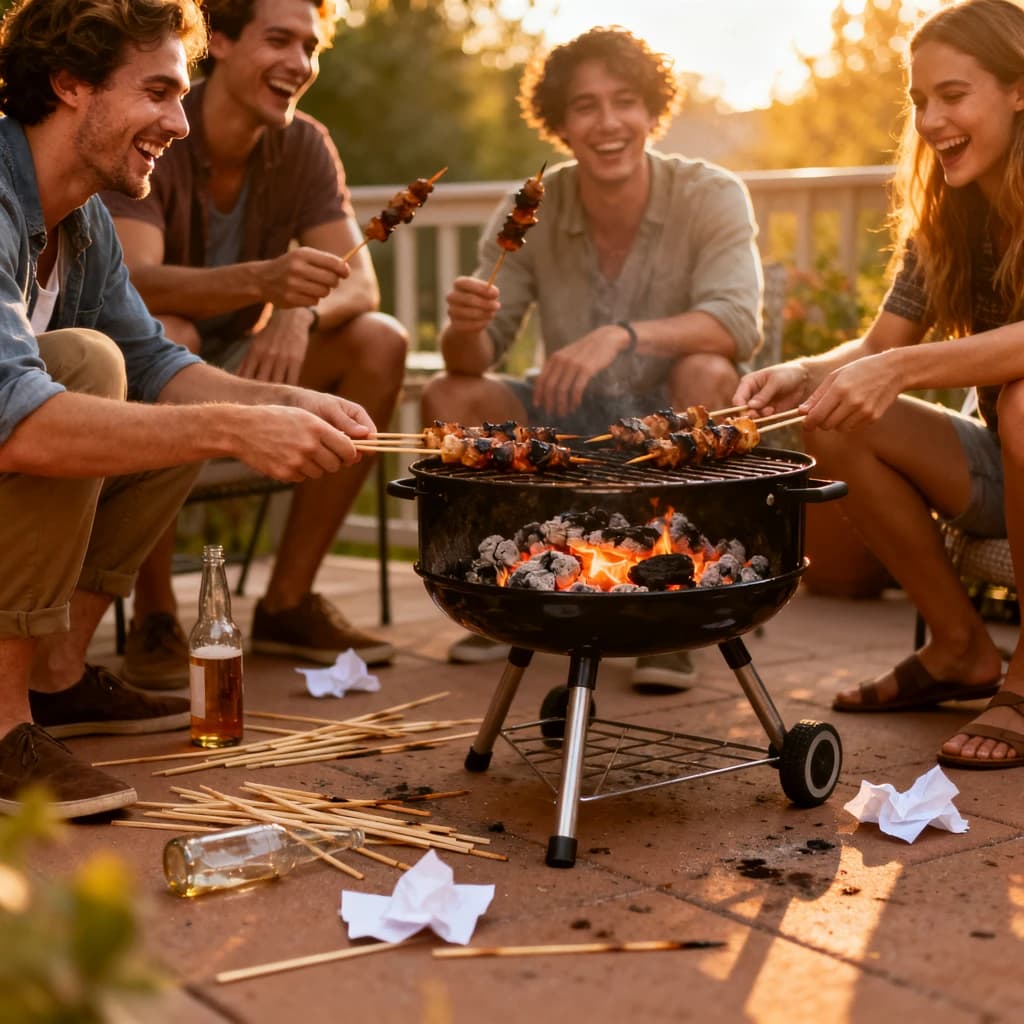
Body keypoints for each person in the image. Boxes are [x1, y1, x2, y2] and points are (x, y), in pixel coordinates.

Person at [0, 0, 379, 818]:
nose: (179, 121)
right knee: (85, 367)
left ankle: (55, 678)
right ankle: (1, 726)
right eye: (159, 92)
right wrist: (236, 427)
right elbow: (17, 419)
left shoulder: (84, 220)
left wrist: (287, 400)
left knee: (135, 376)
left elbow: (162, 365)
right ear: (70, 84)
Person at [421, 27, 763, 688]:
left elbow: (735, 324)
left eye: (625, 101)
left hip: (671, 425)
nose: (608, 123)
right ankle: (504, 595)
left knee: (711, 375)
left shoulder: (712, 192)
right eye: (585, 106)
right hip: (565, 419)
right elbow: (472, 358)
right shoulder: (529, 205)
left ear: (653, 111)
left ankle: (685, 606)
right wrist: (464, 325)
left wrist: (621, 336)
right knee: (447, 397)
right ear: (560, 123)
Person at [734, 0, 1024, 769]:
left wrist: (902, 368)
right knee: (835, 416)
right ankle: (960, 648)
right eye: (919, 101)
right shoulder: (949, 212)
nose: (931, 120)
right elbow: (878, 347)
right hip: (1007, 468)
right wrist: (803, 372)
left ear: (1020, 89)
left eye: (953, 95)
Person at [102, 0, 407, 689]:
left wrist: (298, 313)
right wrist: (266, 281)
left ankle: (288, 602)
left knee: (378, 343)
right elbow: (136, 287)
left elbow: (358, 281)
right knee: (163, 335)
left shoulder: (304, 144)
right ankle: (155, 613)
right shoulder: (160, 126)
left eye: (311, 46)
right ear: (224, 41)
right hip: (156, 360)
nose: (300, 64)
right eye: (280, 40)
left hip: (257, 352)